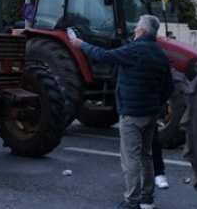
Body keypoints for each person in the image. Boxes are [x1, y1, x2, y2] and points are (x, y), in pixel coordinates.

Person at [70, 15, 173, 209]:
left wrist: (81, 44)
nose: (134, 31)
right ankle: (147, 199)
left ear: (142, 31)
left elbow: (103, 55)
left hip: (131, 115)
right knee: (147, 156)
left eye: (136, 29)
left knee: (131, 159)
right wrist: (155, 104)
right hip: (150, 114)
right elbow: (168, 87)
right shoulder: (160, 54)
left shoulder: (133, 50)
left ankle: (132, 200)